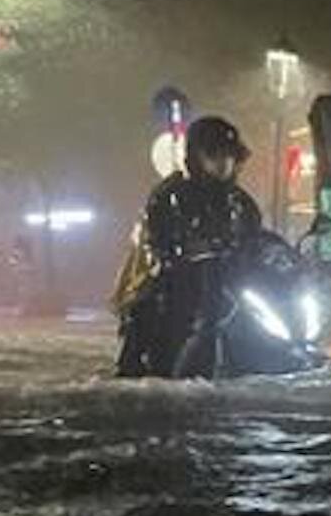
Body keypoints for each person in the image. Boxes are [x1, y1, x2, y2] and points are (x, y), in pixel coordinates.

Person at [112, 116, 265, 377]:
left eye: (228, 156)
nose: (222, 163)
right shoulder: (170, 195)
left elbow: (256, 236)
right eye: (214, 155)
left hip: (230, 282)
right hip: (178, 284)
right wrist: (185, 250)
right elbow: (157, 238)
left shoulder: (240, 202)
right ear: (197, 156)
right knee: (155, 312)